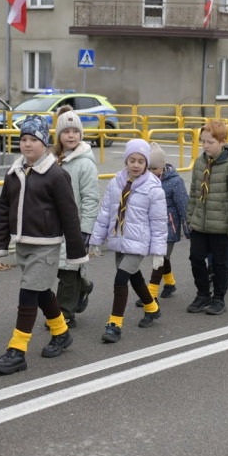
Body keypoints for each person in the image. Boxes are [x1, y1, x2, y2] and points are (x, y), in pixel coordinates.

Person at [0, 116, 88, 373]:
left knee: (28, 292)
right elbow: (4, 209)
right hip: (24, 243)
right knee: (42, 290)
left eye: (33, 139)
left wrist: (77, 252)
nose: (27, 144)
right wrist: (1, 242)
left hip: (46, 245)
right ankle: (61, 332)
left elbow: (69, 214)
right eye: (23, 139)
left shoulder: (56, 174)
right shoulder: (14, 172)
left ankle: (17, 350)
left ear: (45, 143)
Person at [89, 139, 167, 342]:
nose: (136, 165)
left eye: (141, 161)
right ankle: (152, 308)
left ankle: (114, 324)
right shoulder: (116, 181)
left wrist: (158, 251)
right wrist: (96, 238)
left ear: (146, 164)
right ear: (126, 160)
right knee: (134, 276)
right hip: (119, 238)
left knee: (121, 278)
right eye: (132, 160)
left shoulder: (153, 188)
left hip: (139, 243)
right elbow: (106, 211)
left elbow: (158, 222)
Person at [185, 120, 228, 315]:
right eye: (203, 141)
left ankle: (219, 298)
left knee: (220, 264)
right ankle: (203, 294)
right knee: (195, 258)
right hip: (200, 224)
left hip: (222, 226)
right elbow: (194, 193)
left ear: (222, 141)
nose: (205, 145)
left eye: (210, 142)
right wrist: (190, 218)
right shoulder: (200, 162)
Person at [52, 108, 99, 325]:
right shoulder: (53, 160)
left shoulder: (85, 163)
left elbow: (91, 199)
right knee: (61, 269)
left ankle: (64, 315)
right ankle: (84, 286)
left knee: (68, 270)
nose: (71, 135)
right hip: (53, 226)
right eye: (66, 131)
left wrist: (86, 229)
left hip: (75, 226)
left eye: (75, 131)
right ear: (59, 135)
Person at [147, 141, 188, 303]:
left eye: (154, 168)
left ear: (162, 166)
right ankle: (170, 283)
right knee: (163, 258)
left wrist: (187, 229)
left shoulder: (175, 182)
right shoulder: (144, 181)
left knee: (160, 259)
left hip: (169, 228)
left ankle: (151, 294)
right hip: (152, 227)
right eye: (148, 168)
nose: (150, 172)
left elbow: (184, 206)